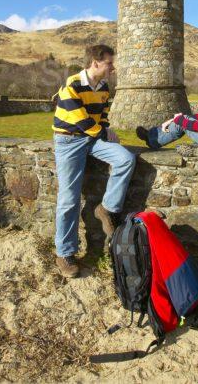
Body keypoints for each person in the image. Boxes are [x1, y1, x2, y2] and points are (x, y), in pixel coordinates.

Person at [53, 44, 136, 278]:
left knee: (125, 158)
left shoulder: (104, 87)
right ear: (95, 62)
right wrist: (102, 131)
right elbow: (83, 123)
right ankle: (65, 253)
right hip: (69, 141)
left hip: (92, 139)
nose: (113, 67)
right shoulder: (72, 85)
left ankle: (107, 208)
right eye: (109, 63)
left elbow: (101, 117)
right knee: (69, 199)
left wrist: (107, 130)